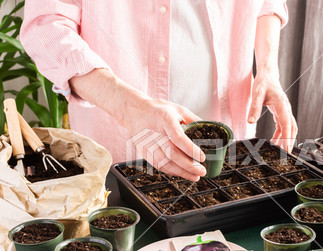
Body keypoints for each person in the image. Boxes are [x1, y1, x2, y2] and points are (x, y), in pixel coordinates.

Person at [20, 0, 298, 182]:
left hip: (227, 142)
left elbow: (266, 5)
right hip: (122, 148)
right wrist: (129, 107)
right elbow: (46, 26)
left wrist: (268, 69)